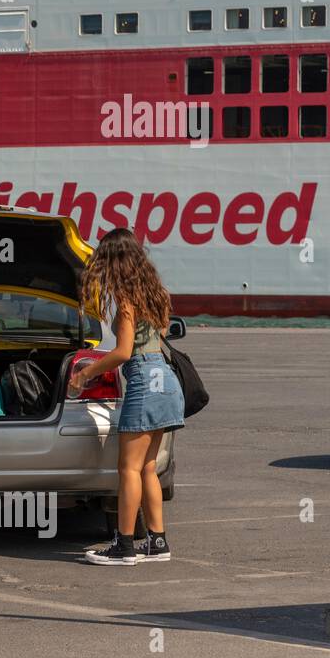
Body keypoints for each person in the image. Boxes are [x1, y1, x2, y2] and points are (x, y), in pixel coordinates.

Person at [71, 228, 184, 566]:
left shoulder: (126, 301)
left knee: (128, 469)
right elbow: (159, 337)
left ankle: (124, 546)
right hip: (166, 380)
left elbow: (122, 352)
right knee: (148, 467)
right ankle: (157, 541)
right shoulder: (158, 294)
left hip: (143, 381)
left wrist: (85, 373)